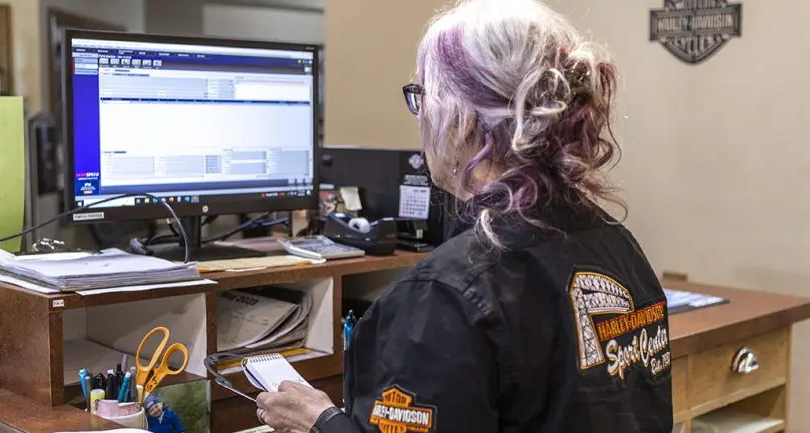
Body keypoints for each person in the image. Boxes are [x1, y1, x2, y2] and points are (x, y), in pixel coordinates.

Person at [255, 0, 673, 432]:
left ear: (461, 120)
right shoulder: (618, 245)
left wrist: (319, 422)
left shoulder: (446, 293)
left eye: (421, 97)